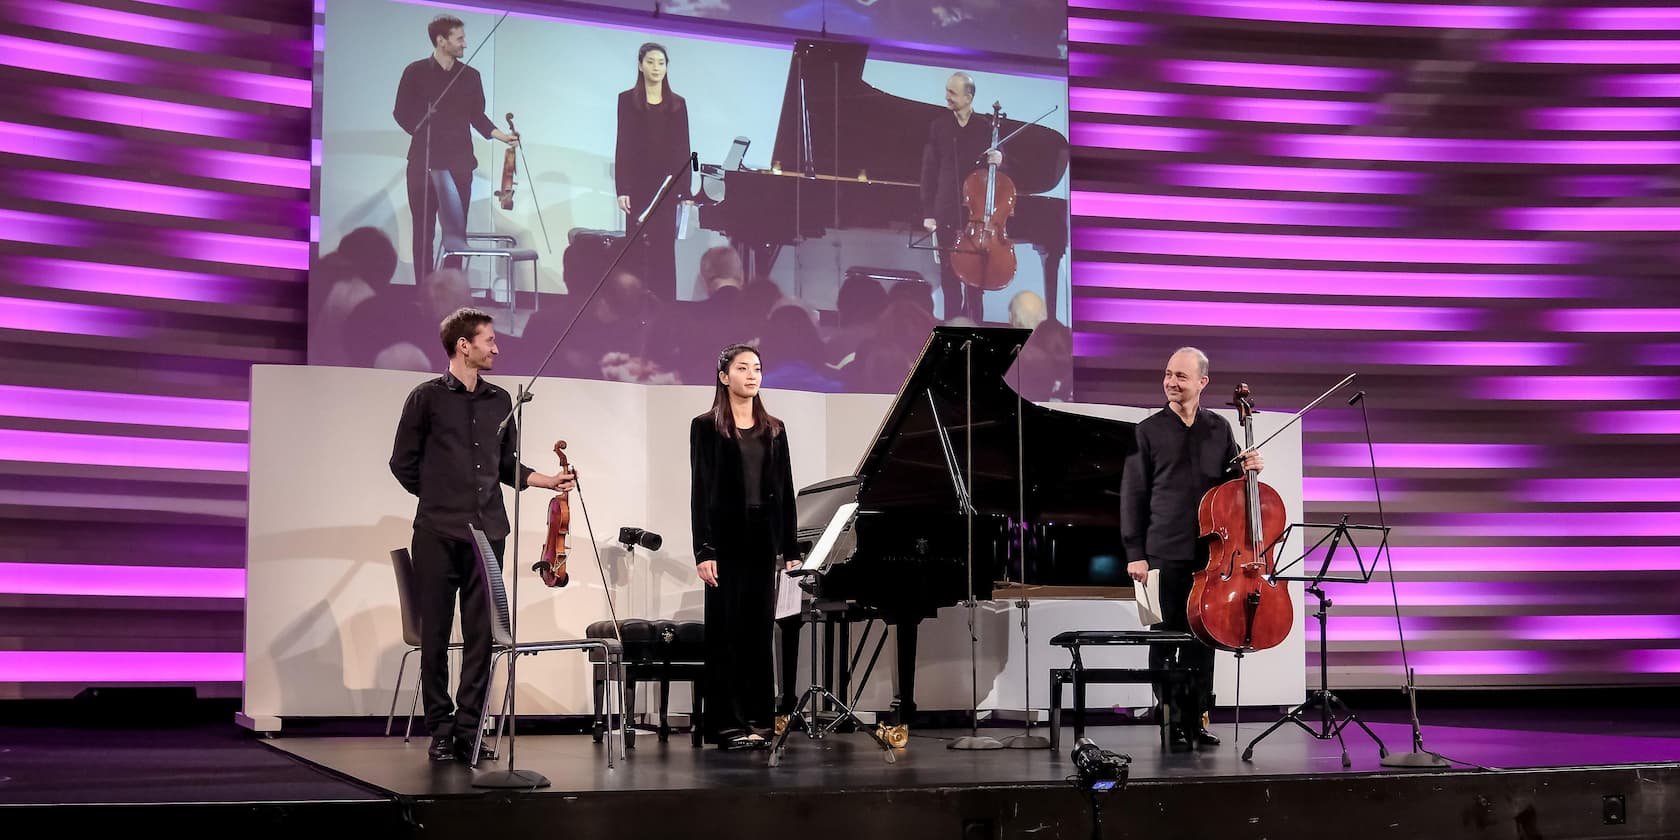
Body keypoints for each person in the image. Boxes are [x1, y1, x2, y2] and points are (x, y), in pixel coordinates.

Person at [389, 307, 574, 763]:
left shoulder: (498, 402)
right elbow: (402, 463)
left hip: (488, 533)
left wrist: (545, 481)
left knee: (482, 636)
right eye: (489, 340)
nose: (496, 347)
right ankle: (441, 728)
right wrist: (439, 495)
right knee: (435, 634)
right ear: (463, 346)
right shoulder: (426, 398)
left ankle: (470, 731)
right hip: (436, 531)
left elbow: (506, 463)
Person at [1119, 347, 1263, 752]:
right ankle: (1169, 721)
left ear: (1202, 383)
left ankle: (1197, 719)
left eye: (1180, 376)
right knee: (1165, 641)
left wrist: (1246, 467)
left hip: (1211, 555)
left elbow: (1229, 485)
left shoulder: (1218, 428)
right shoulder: (1146, 431)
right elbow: (1131, 497)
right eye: (1167, 374)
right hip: (1160, 554)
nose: (1170, 382)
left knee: (1205, 639)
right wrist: (1135, 552)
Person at [689, 344, 798, 749]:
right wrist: (704, 550)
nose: (752, 375)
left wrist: (790, 548)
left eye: (757, 368)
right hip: (725, 541)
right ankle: (726, 725)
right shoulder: (705, 426)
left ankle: (759, 721)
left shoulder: (775, 428)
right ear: (723, 376)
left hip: (762, 540)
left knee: (757, 634)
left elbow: (785, 490)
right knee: (726, 634)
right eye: (742, 368)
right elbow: (701, 491)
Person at [393, 14, 518, 284]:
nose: (465, 44)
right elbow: (400, 112)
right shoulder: (415, 72)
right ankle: (423, 291)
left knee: (455, 233)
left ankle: (449, 291)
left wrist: (502, 137)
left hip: (460, 165)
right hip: (423, 163)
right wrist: (421, 123)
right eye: (459, 38)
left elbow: (478, 116)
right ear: (441, 41)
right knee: (423, 231)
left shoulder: (470, 76)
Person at [920, 71, 1003, 322]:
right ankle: (951, 328)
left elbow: (1002, 170)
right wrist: (928, 212)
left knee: (976, 284)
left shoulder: (986, 128)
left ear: (968, 97)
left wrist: (1000, 160)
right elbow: (928, 170)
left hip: (976, 215)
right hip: (945, 209)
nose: (947, 97)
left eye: (952, 93)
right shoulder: (938, 127)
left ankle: (975, 327)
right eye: (947, 91)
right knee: (949, 280)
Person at [615, 42, 692, 304]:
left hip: (667, 186)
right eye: (650, 62)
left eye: (661, 62)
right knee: (634, 248)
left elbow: (685, 148)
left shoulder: (678, 104)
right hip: (637, 185)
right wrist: (622, 188)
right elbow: (622, 144)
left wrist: (685, 189)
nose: (656, 67)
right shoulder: (626, 100)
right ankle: (632, 305)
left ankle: (665, 309)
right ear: (640, 65)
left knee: (663, 249)